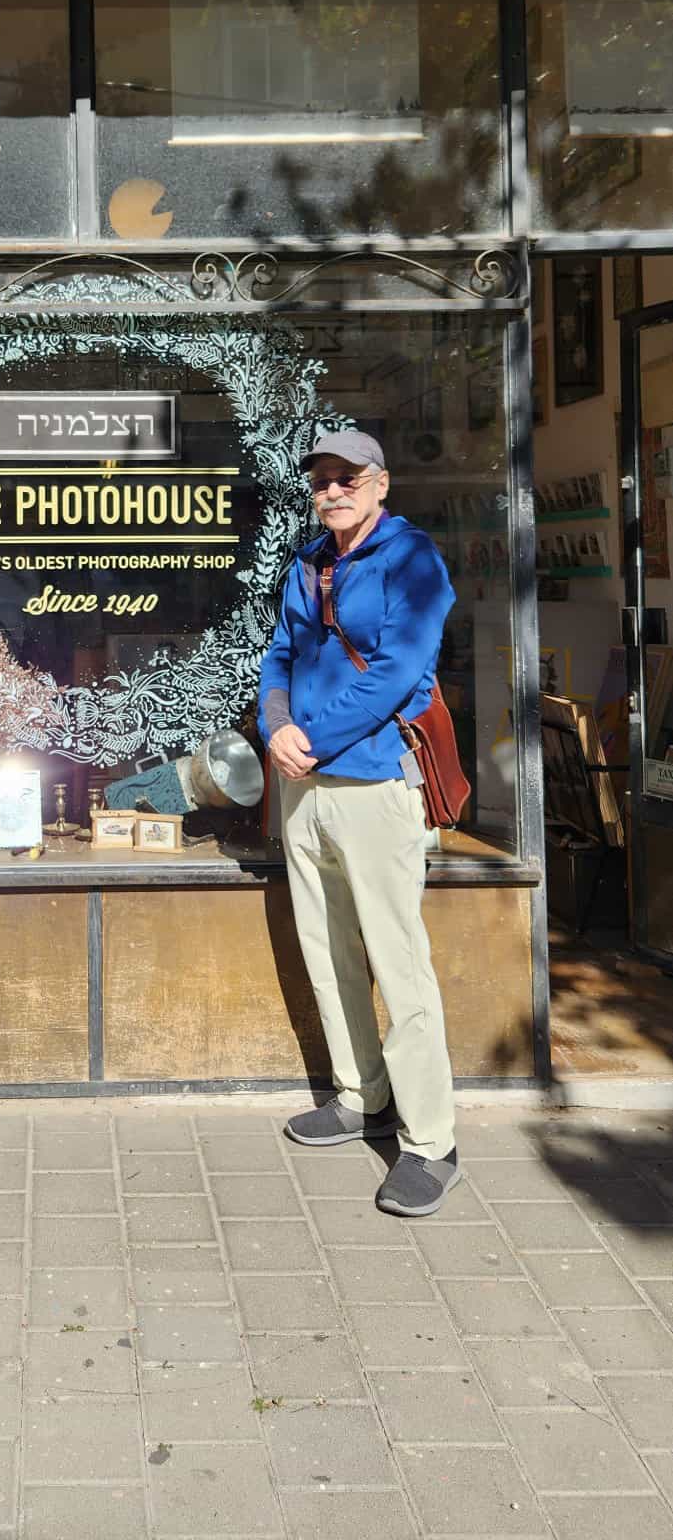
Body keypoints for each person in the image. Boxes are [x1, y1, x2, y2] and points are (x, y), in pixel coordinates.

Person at [258, 428, 460, 1217]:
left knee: (397, 961)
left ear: (381, 483)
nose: (333, 491)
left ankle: (430, 1142)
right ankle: (359, 1094)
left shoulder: (413, 560)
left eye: (347, 477)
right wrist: (275, 725)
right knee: (327, 948)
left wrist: (309, 737)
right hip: (303, 782)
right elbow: (279, 655)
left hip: (373, 783)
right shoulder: (308, 562)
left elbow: (396, 673)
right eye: (322, 480)